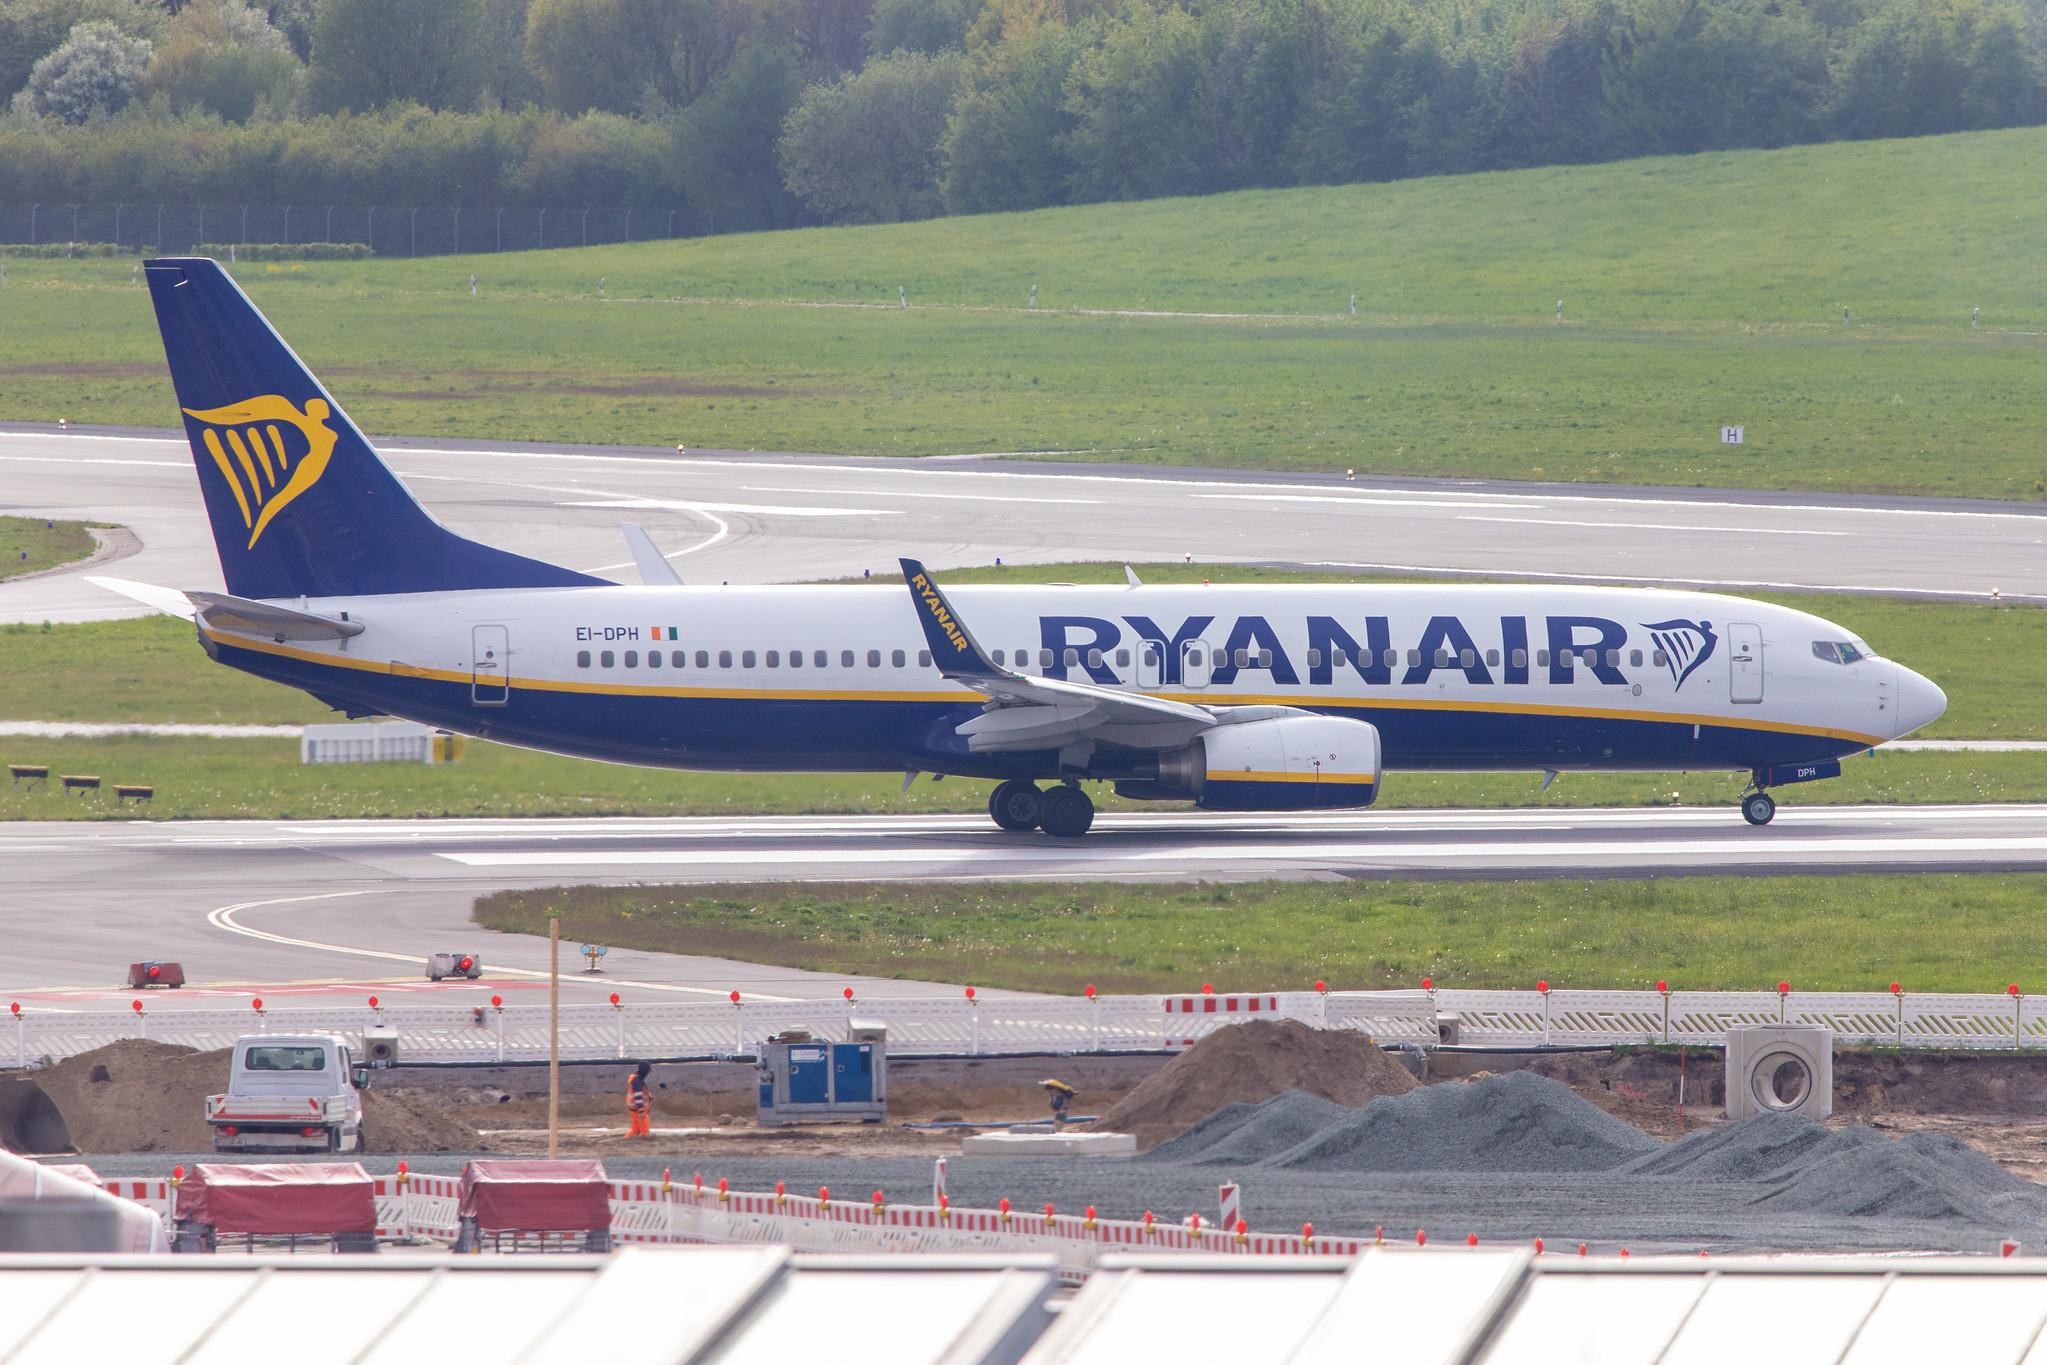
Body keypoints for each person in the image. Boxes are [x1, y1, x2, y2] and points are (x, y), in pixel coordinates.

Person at [627, 1061, 652, 1138]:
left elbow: (639, 1092)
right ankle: (644, 1141)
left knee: (636, 1128)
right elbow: (637, 1096)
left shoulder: (637, 1079)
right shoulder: (638, 1081)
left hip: (634, 1107)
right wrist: (641, 1111)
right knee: (644, 1129)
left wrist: (648, 1095)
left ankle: (628, 1139)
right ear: (645, 1071)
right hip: (638, 1108)